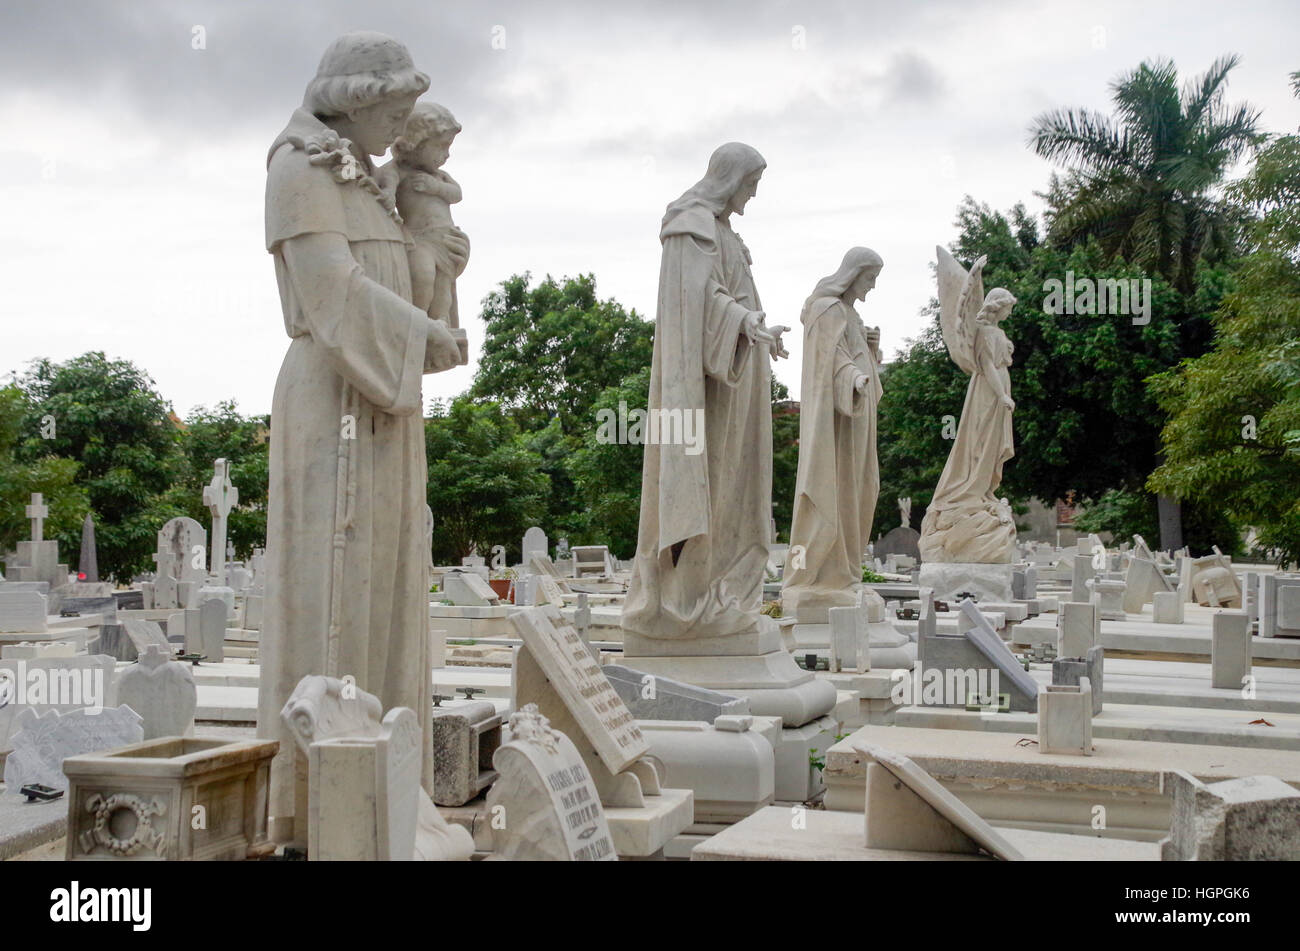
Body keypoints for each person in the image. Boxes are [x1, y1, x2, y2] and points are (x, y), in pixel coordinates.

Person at [258, 31, 463, 842]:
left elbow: (393, 278)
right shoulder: (299, 167)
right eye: (394, 110)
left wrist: (432, 261)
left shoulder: (374, 183)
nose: (402, 127)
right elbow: (329, 288)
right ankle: (320, 810)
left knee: (385, 586)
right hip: (333, 396)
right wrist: (421, 333)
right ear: (355, 99)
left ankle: (384, 798)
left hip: (385, 398)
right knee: (335, 591)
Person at [622, 142, 790, 640]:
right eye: (751, 185)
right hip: (706, 391)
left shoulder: (724, 232)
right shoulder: (690, 226)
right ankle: (686, 596)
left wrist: (756, 328)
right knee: (710, 480)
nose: (752, 196)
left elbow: (728, 294)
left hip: (738, 384)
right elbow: (697, 301)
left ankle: (727, 591)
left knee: (738, 486)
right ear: (730, 179)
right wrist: (741, 321)